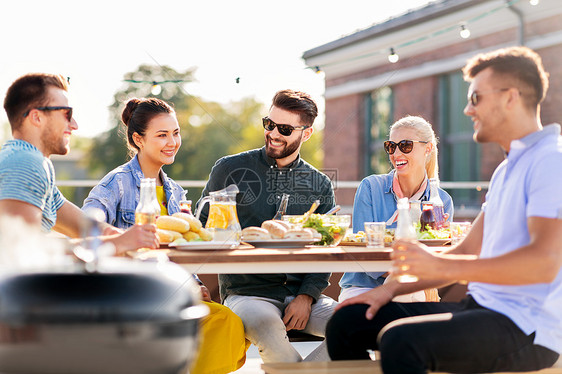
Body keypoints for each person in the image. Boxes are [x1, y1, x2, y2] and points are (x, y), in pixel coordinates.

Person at [326, 46, 562, 373]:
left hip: (526, 328)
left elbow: (543, 264)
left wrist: (439, 265)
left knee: (400, 341)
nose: (467, 110)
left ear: (510, 97)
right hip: (481, 308)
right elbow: (466, 250)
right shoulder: (507, 169)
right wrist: (388, 290)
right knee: (347, 322)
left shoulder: (550, 161)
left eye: (476, 98)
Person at [82, 97, 248, 374]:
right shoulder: (117, 183)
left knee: (227, 322)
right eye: (162, 135)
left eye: (175, 133)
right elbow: (87, 226)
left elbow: (182, 248)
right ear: (139, 139)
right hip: (131, 296)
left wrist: (194, 281)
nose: (172, 142)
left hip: (172, 292)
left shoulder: (175, 191)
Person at [196, 89, 337, 363]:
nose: (273, 133)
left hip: (303, 295)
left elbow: (325, 250)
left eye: (284, 129)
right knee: (271, 332)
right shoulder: (229, 169)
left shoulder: (320, 184)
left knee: (355, 327)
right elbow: (199, 228)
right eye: (268, 124)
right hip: (246, 293)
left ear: (305, 134)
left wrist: (307, 297)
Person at [0, 73, 157, 253]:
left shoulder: (31, 161)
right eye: (67, 114)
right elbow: (21, 251)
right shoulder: (24, 162)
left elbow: (84, 227)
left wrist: (130, 236)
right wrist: (118, 243)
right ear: (37, 117)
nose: (74, 124)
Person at [339, 116, 453, 302]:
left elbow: (436, 262)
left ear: (428, 148)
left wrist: (436, 239)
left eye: (405, 145)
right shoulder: (370, 187)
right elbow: (363, 251)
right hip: (362, 287)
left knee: (410, 294)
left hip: (414, 287)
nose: (396, 153)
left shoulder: (442, 201)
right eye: (391, 146)